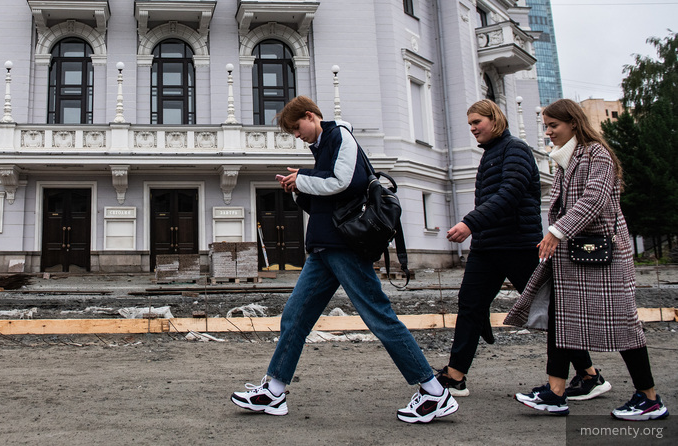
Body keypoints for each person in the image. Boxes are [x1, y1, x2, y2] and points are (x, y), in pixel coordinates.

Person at [230, 96, 459, 423]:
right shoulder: (323, 146)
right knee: (295, 317)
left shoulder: (339, 136)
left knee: (379, 317)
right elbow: (327, 201)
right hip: (324, 247)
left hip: (344, 247)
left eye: (297, 128)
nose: (298, 135)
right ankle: (274, 391)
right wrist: (298, 188)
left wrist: (304, 180)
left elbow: (345, 182)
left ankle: (435, 393)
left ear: (311, 116)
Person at [505, 99, 668, 420]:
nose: (548, 132)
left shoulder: (597, 154)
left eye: (554, 125)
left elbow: (594, 199)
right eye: (546, 126)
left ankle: (649, 398)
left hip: (602, 258)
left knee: (624, 325)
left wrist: (555, 231)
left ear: (574, 123)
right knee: (562, 321)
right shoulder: (568, 159)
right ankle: (556, 392)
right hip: (576, 257)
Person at [436, 100, 543, 397]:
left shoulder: (516, 149)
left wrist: (470, 224)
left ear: (494, 119)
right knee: (470, 305)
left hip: (518, 245)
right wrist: (477, 234)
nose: (472, 129)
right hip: (487, 246)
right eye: (469, 124)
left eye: (476, 122)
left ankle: (587, 374)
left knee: (544, 309)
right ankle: (455, 375)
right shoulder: (490, 154)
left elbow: (510, 194)